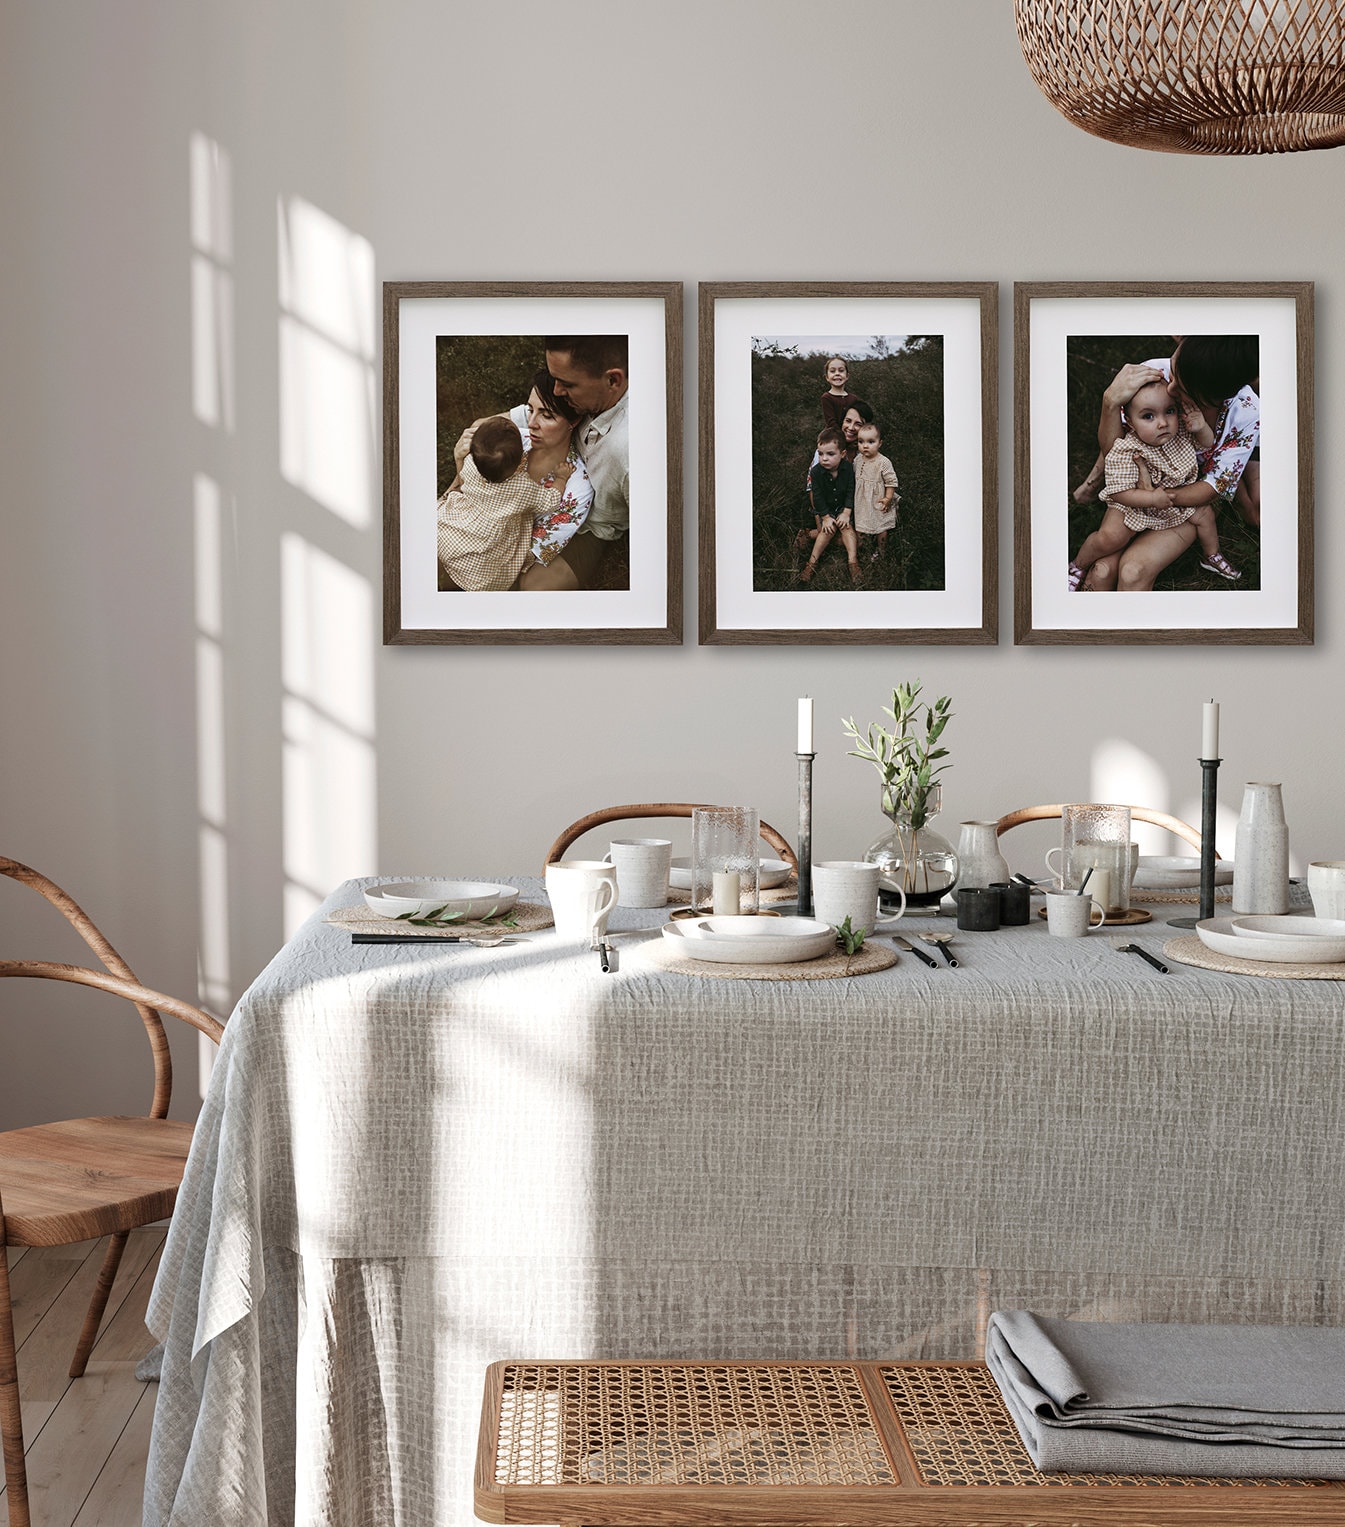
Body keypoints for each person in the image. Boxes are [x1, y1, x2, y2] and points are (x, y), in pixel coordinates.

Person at [1078, 336, 1259, 593]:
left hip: (1189, 498)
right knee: (1101, 572)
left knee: (1132, 571)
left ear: (1214, 398)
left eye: (1182, 388)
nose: (1170, 389)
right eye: (1174, 370)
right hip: (1135, 493)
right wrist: (1110, 402)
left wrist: (1155, 496)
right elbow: (1115, 454)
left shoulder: (1246, 414)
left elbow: (1211, 488)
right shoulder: (1154, 375)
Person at [1067, 380, 1240, 591]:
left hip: (1170, 502)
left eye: (1169, 411)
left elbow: (1206, 443)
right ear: (1130, 423)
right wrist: (1150, 498)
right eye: (1148, 416)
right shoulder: (1127, 449)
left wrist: (1202, 428)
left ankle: (1211, 554)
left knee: (1205, 515)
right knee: (1110, 537)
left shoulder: (1180, 435)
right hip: (1133, 504)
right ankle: (1077, 566)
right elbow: (1120, 492)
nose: (1162, 423)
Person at [525, 334, 629, 591]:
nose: (558, 391)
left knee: (533, 589)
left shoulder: (630, 453)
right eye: (556, 379)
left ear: (612, 380)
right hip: (548, 490)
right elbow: (538, 408)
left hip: (591, 526)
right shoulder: (584, 396)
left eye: (567, 384)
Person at [436, 417, 560, 592]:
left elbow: (462, 483)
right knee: (489, 563)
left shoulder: (471, 465)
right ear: (520, 463)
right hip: (483, 569)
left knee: (439, 518)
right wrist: (561, 479)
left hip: (460, 533)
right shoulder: (522, 488)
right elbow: (551, 501)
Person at [506, 370, 594, 582]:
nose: (532, 423)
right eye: (530, 410)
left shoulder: (577, 490)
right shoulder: (512, 442)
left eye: (547, 415)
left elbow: (530, 554)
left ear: (573, 421)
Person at [797, 427, 862, 585]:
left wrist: (846, 512)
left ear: (843, 454)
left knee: (847, 528)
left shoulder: (847, 469)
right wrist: (825, 517)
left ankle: (853, 562)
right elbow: (817, 497)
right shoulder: (816, 472)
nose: (824, 458)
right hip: (826, 509)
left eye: (830, 454)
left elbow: (850, 491)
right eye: (821, 454)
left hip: (842, 508)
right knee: (828, 530)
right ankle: (812, 563)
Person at [852, 420, 899, 562]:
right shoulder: (858, 459)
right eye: (861, 441)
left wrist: (888, 498)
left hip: (878, 499)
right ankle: (865, 551)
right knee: (861, 525)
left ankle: (881, 550)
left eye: (871, 442)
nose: (865, 446)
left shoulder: (883, 462)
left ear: (880, 443)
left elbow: (891, 482)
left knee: (881, 526)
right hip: (862, 501)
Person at [819, 356, 863, 434]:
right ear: (827, 377)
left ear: (847, 376)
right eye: (832, 371)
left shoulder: (853, 398)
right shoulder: (826, 397)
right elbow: (831, 422)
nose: (837, 373)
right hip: (834, 436)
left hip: (851, 434)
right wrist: (842, 436)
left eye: (841, 370)